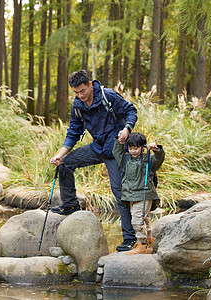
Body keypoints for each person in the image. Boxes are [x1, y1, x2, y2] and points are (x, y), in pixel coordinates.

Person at [49, 70, 138, 251]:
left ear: (90, 85)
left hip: (116, 151)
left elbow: (131, 111)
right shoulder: (78, 106)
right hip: (97, 148)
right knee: (65, 163)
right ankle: (70, 205)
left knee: (120, 192)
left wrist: (127, 129)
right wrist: (61, 154)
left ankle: (130, 238)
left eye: (82, 91)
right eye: (76, 92)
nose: (80, 95)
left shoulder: (108, 96)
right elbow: (73, 132)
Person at [112, 132, 165, 255]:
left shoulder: (147, 160)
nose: (133, 151)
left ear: (142, 147)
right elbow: (117, 153)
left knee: (137, 220)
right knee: (144, 219)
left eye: (136, 148)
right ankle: (149, 240)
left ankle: (141, 244)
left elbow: (158, 158)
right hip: (131, 196)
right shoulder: (125, 160)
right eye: (130, 148)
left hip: (144, 194)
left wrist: (157, 149)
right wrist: (120, 141)